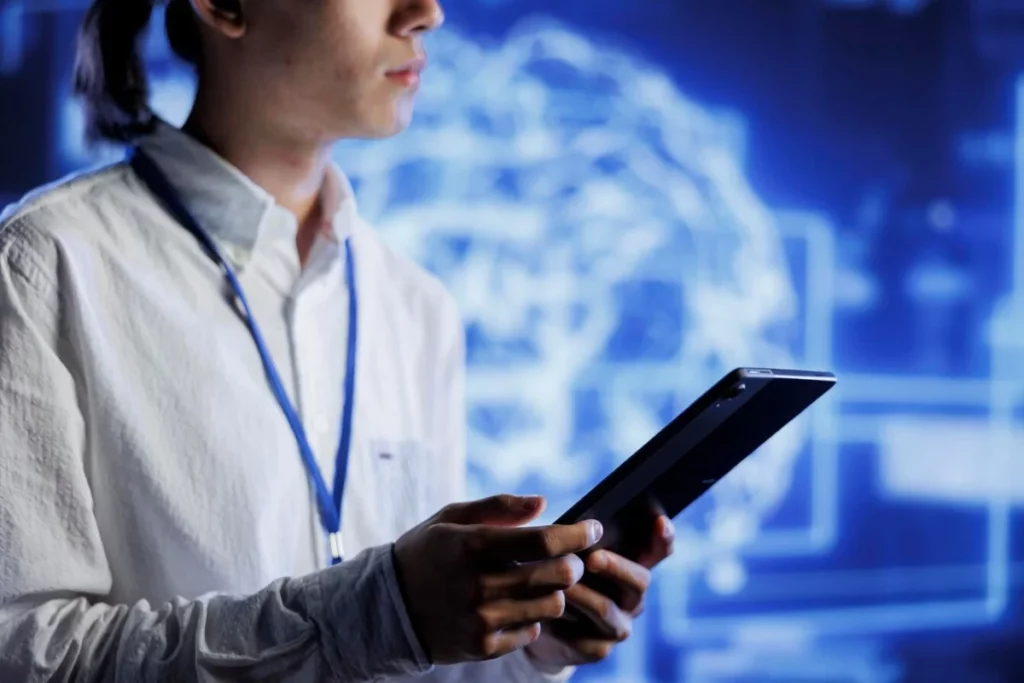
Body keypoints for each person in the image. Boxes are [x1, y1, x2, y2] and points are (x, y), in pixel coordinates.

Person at [0, 0, 674, 680]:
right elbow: (23, 655)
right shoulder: (45, 266)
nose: (427, 14)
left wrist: (526, 642)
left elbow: (414, 658)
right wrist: (373, 612)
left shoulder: (417, 307)